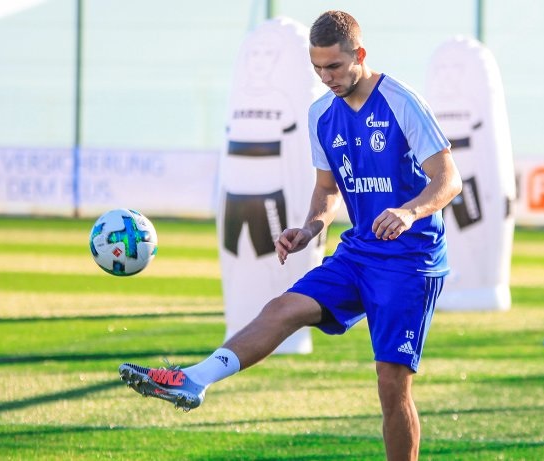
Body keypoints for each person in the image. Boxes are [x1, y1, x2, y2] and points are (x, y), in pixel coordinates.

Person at [119, 10, 462, 461]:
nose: (326, 77)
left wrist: (409, 211)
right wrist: (310, 227)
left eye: (335, 66)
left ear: (359, 54)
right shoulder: (322, 114)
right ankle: (194, 378)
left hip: (409, 262)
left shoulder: (401, 101)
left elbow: (448, 179)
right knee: (283, 307)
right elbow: (327, 188)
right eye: (317, 68)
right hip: (358, 253)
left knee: (390, 383)